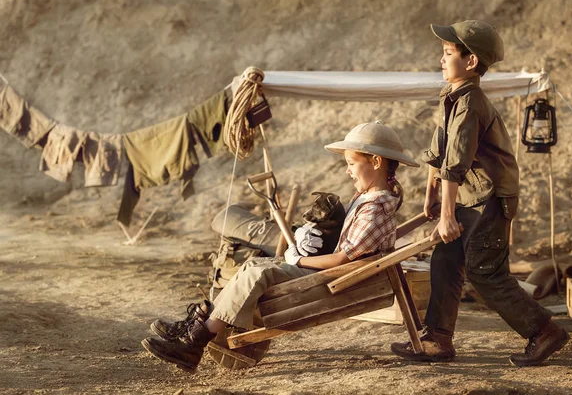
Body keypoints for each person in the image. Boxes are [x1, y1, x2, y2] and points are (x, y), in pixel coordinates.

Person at [142, 121, 419, 373]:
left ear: (376, 161)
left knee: (257, 274)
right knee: (253, 264)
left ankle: (196, 341)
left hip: (338, 282)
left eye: (351, 163)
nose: (347, 170)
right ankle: (198, 326)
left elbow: (340, 261)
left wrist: (298, 260)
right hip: (336, 275)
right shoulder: (369, 198)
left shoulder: (375, 208)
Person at [390, 20, 569, 366]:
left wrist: (445, 216)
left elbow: (456, 162)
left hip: (489, 198)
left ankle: (543, 330)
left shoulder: (471, 103)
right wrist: (432, 197)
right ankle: (438, 339)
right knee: (444, 260)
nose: (441, 60)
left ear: (470, 62)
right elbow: (438, 154)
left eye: (447, 53)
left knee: (484, 272)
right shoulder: (451, 97)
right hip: (467, 196)